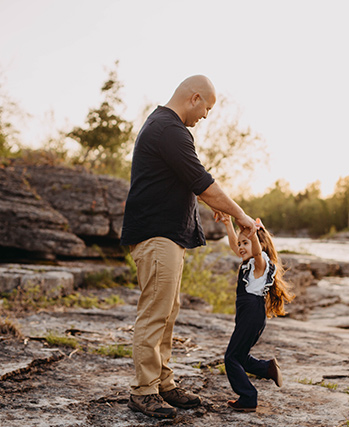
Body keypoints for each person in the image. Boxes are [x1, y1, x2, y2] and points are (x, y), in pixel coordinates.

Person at [120, 75, 257, 419]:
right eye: (207, 108)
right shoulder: (169, 129)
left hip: (166, 236)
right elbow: (203, 182)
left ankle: (163, 383)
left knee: (167, 311)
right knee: (155, 313)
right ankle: (144, 390)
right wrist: (240, 215)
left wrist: (209, 199)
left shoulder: (165, 127)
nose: (206, 116)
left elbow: (190, 180)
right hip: (156, 236)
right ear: (194, 98)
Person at [216, 214, 294, 412]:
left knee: (231, 357)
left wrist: (252, 234)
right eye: (240, 243)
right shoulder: (247, 262)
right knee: (240, 355)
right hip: (246, 313)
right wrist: (228, 224)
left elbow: (257, 252)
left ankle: (249, 397)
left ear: (258, 244)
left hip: (252, 312)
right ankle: (267, 368)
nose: (240, 246)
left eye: (246, 242)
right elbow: (235, 246)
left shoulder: (261, 262)